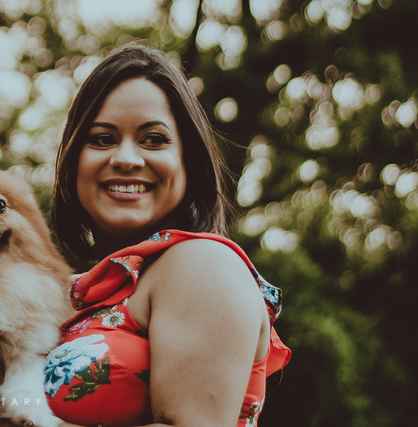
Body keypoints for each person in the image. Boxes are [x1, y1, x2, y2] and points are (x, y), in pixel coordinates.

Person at [44, 44, 290, 427]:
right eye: (103, 139)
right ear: (74, 160)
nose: (125, 158)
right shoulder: (74, 293)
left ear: (187, 161)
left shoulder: (202, 264)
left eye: (154, 139)